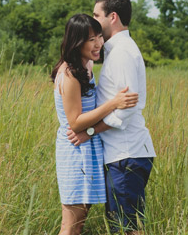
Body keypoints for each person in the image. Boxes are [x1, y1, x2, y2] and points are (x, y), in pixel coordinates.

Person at [67, 0, 156, 234]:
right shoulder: (115, 51)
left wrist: (90, 131)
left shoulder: (122, 53)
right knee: (121, 224)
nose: (94, 21)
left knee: (127, 228)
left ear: (112, 17)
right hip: (122, 154)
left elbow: (126, 109)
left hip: (126, 154)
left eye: (97, 15)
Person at [51, 13, 140, 235]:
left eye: (100, 36)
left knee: (80, 223)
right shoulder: (69, 74)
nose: (99, 43)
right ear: (76, 41)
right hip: (75, 150)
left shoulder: (87, 64)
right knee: (72, 224)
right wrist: (114, 103)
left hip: (88, 148)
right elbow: (75, 122)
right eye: (91, 39)